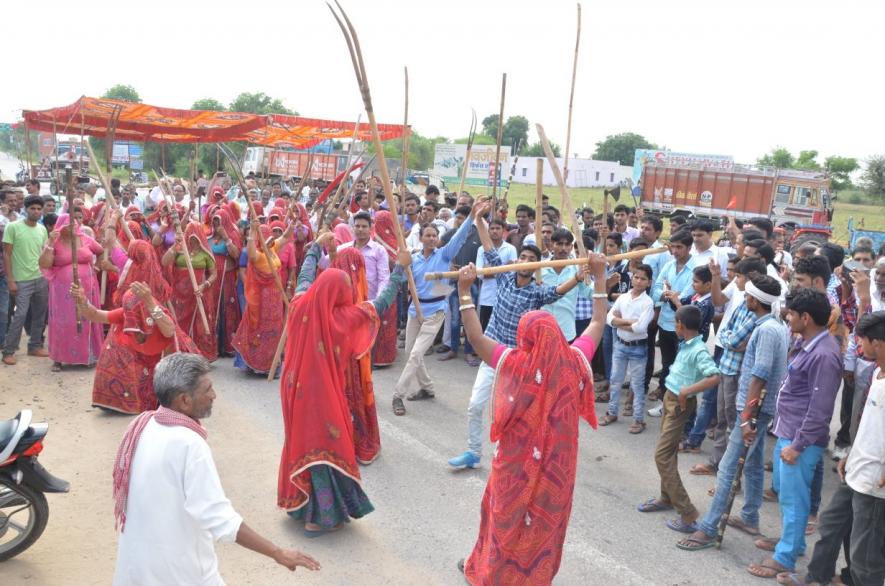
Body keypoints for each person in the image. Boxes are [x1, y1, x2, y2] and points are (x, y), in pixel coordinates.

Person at [455, 252, 608, 585]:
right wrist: (599, 276)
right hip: (558, 470)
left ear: (525, 337)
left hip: (515, 465)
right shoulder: (577, 360)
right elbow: (598, 323)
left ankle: (492, 574)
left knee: (504, 516)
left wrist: (465, 291)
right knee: (543, 524)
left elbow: (478, 339)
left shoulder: (516, 364)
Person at [111, 352, 320, 583]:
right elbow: (219, 517)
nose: (214, 395)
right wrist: (277, 553)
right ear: (184, 400)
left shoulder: (142, 425)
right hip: (177, 573)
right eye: (207, 389)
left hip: (136, 570)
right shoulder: (189, 445)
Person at [277, 241, 412, 533]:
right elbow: (382, 303)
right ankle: (318, 517)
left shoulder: (300, 304)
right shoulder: (344, 318)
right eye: (347, 286)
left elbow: (304, 278)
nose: (350, 290)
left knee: (300, 442)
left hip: (293, 391)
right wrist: (400, 268)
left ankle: (300, 505)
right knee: (326, 445)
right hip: (322, 396)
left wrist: (314, 250)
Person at [448, 212, 593, 470]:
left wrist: (578, 278)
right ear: (516, 260)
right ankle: (473, 452)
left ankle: (508, 457)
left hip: (516, 362)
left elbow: (557, 291)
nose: (525, 261)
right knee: (475, 406)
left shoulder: (537, 294)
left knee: (510, 414)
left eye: (531, 260)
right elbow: (490, 248)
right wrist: (479, 219)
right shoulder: (503, 277)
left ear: (538, 266)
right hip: (491, 355)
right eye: (523, 257)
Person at [676, 275, 788, 551]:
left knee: (727, 468)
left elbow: (760, 375)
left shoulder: (765, 330)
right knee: (750, 463)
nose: (745, 299)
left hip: (752, 409)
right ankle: (750, 516)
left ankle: (709, 527)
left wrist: (747, 417)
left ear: (754, 300)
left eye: (748, 296)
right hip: (758, 408)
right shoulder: (776, 325)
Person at [777, 310, 885, 585]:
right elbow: (867, 423)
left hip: (876, 482)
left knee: (865, 554)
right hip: (857, 469)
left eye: (863, 342)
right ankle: (817, 577)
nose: (859, 348)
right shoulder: (875, 373)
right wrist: (850, 453)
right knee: (831, 524)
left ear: (879, 343)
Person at [747, 288, 842, 578]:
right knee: (787, 494)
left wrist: (798, 445)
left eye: (790, 314)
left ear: (806, 317)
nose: (787, 318)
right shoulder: (808, 343)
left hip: (800, 439)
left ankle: (786, 556)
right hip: (788, 431)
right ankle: (792, 542)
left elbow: (820, 409)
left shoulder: (824, 355)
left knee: (794, 498)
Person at [391, 197, 485, 416]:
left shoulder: (444, 254)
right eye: (428, 235)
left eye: (435, 235)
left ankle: (398, 395)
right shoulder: (413, 259)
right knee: (412, 354)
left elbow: (460, 236)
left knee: (415, 355)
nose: (432, 238)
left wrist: (472, 215)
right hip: (415, 310)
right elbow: (401, 279)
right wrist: (400, 263)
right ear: (421, 238)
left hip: (436, 312)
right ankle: (428, 388)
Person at [72, 258, 196, 415]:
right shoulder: (127, 313)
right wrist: (83, 301)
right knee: (115, 341)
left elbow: (169, 331)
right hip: (139, 361)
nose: (131, 318)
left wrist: (150, 303)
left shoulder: (155, 312)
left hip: (156, 365)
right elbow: (96, 315)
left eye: (133, 313)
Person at [637, 305, 720, 534]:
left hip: (679, 403)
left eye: (675, 322)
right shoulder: (688, 344)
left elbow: (714, 376)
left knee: (662, 456)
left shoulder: (698, 350)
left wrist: (686, 391)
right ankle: (666, 497)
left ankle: (688, 512)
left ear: (681, 325)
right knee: (668, 452)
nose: (674, 326)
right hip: (670, 400)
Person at [39, 213, 105, 371]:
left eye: (73, 225)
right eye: (67, 226)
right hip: (63, 291)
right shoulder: (54, 242)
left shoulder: (86, 238)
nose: (71, 228)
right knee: (64, 322)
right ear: (60, 228)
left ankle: (89, 355)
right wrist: (50, 242)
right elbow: (44, 263)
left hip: (88, 288)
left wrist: (98, 266)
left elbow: (101, 251)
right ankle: (59, 358)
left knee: (87, 317)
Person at [600, 262, 655, 433]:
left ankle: (638, 420)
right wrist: (629, 322)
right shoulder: (623, 297)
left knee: (637, 386)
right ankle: (612, 412)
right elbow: (609, 319)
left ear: (649, 283)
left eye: (643, 279)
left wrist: (619, 322)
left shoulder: (648, 303)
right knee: (615, 381)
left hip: (638, 349)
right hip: (621, 345)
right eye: (636, 277)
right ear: (632, 278)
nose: (638, 281)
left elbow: (639, 328)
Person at [647, 229, 696, 416]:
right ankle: (666, 403)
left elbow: (687, 296)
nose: (675, 251)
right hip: (666, 323)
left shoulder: (696, 268)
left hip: (684, 327)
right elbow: (656, 290)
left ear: (689, 247)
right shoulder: (668, 265)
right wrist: (666, 294)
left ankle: (680, 405)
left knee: (681, 367)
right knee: (667, 364)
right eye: (673, 247)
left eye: (679, 247)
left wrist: (671, 295)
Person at [232, 221, 290, 375]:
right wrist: (252, 231)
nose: (268, 239)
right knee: (259, 330)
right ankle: (256, 364)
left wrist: (292, 222)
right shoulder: (258, 255)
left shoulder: (272, 249)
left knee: (274, 330)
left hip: (275, 300)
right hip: (261, 301)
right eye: (264, 237)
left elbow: (285, 237)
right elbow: (251, 253)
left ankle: (272, 364)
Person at [2, 195, 49, 365]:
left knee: (40, 314)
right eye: (32, 208)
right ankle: (8, 351)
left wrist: (47, 275)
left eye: (39, 209)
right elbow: (6, 254)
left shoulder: (42, 229)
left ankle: (34, 346)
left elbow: (44, 255)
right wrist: (11, 280)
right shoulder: (13, 227)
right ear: (26, 209)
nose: (36, 211)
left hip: (40, 278)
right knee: (20, 315)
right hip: (21, 280)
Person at [162, 221, 218, 361]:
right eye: (190, 237)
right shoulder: (180, 249)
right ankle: (181, 350)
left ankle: (199, 354)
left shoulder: (205, 254)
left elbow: (214, 274)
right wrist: (175, 246)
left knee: (198, 323)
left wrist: (205, 285)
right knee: (179, 321)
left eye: (195, 237)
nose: (192, 240)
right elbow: (164, 261)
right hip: (179, 295)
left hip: (198, 293)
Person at [207, 207, 241, 357]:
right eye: (214, 221)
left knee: (227, 310)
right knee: (213, 309)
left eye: (218, 221)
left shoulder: (233, 235)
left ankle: (227, 345)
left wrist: (226, 238)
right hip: (213, 278)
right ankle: (214, 346)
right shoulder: (209, 236)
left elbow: (236, 254)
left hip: (226, 279)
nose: (216, 224)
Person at [475, 218, 517, 331]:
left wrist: (489, 270)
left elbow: (513, 273)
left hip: (505, 297)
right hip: (487, 297)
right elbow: (480, 273)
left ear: (503, 230)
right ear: (488, 231)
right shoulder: (481, 249)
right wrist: (505, 267)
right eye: (492, 228)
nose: (494, 231)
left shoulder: (510, 248)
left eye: (498, 228)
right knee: (486, 329)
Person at [372, 210, 400, 367]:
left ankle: (382, 356)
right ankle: (381, 355)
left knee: (383, 319)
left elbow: (398, 264)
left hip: (383, 286)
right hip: (389, 288)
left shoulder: (389, 241)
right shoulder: (393, 240)